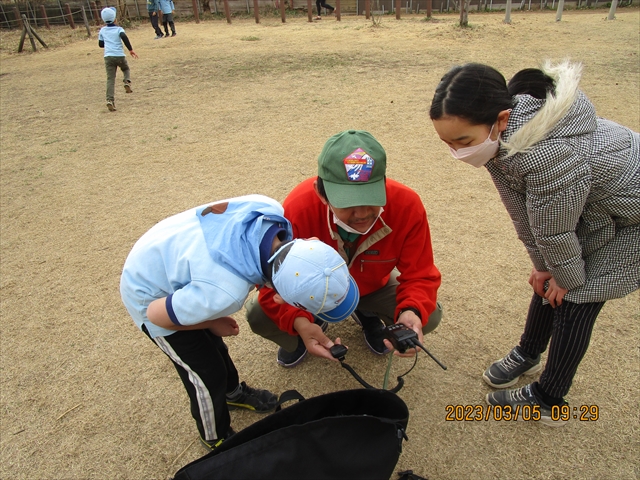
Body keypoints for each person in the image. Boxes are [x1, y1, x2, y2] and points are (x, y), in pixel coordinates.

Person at [429, 61, 639, 426]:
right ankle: (529, 352)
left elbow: (554, 230)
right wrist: (544, 266)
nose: (456, 151)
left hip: (632, 218)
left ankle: (549, 399)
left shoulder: (547, 154)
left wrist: (564, 275)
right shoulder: (501, 143)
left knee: (576, 295)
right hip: (601, 208)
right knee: (548, 280)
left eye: (462, 141)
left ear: (502, 119)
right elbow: (525, 214)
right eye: (447, 142)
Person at [120, 194, 359, 450]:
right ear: (279, 298)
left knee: (217, 350)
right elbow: (155, 315)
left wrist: (209, 317)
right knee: (205, 373)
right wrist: (209, 323)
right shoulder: (226, 292)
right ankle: (215, 436)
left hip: (168, 254)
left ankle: (233, 394)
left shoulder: (270, 209)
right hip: (149, 293)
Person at [246, 130, 443, 368]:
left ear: (383, 183)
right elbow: (270, 283)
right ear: (321, 193)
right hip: (309, 294)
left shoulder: (407, 206)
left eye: (370, 197)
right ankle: (306, 330)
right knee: (259, 315)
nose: (361, 214)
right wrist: (299, 322)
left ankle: (367, 314)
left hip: (372, 287)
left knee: (429, 316)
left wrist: (411, 310)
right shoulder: (297, 209)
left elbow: (421, 274)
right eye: (346, 203)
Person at [98, 7, 138, 112]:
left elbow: (101, 44)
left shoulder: (102, 30)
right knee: (125, 69)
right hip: (119, 55)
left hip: (108, 57)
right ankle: (127, 81)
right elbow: (124, 37)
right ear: (115, 18)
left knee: (110, 79)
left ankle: (109, 100)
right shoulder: (119, 29)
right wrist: (130, 49)